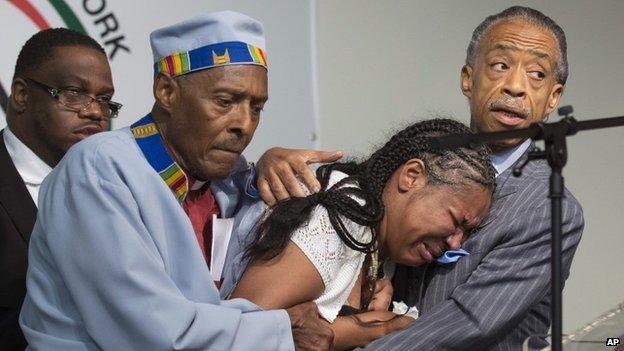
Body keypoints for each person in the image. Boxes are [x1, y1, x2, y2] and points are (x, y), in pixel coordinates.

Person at [19, 11, 399, 350]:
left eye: (256, 107)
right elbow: (153, 334)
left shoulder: (230, 183)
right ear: (166, 92)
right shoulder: (99, 169)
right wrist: (284, 330)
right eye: (224, 101)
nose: (244, 125)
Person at [259, 6, 584, 351]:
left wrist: (343, 338)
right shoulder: (427, 156)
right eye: (500, 65)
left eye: (536, 74)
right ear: (467, 79)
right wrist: (264, 166)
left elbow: (468, 323)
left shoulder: (549, 209)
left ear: (553, 97)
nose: (516, 86)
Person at [228, 118, 496, 350]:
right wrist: (369, 330)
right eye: (455, 220)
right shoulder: (339, 217)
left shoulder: (382, 244)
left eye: (467, 232)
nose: (455, 243)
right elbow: (238, 333)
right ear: (412, 176)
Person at [0, 28, 119, 350]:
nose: (95, 112)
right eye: (74, 93)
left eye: (104, 100)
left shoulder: (116, 187)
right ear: (22, 95)